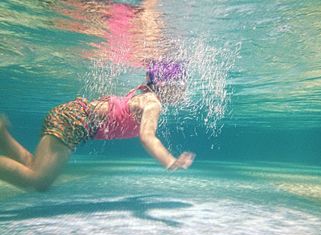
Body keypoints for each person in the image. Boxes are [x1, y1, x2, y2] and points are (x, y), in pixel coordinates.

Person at [0, 60, 196, 191]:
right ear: (165, 84)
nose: (184, 90)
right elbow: (147, 137)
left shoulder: (143, 95)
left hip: (72, 115)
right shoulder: (153, 103)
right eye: (181, 85)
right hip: (75, 120)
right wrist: (170, 161)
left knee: (32, 165)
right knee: (39, 181)